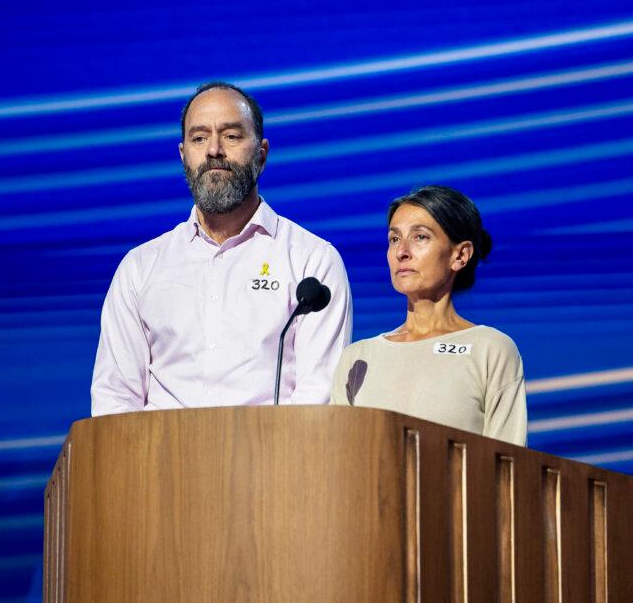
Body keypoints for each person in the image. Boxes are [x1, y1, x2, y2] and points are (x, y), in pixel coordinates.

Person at [91, 82, 353, 415]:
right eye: (199, 138)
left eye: (231, 136)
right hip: (159, 464)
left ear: (262, 152)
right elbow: (115, 397)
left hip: (272, 462)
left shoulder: (312, 262)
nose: (214, 150)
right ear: (183, 154)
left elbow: (319, 395)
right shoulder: (140, 268)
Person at [330, 185, 526, 446]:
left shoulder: (490, 349)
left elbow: (508, 464)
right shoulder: (358, 358)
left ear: (460, 255)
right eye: (394, 239)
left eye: (420, 237)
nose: (402, 252)